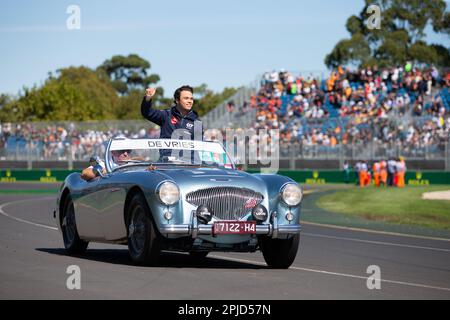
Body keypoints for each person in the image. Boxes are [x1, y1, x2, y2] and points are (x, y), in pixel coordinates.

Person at [80, 149, 145, 181]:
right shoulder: (105, 164)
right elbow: (85, 173)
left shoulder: (134, 163)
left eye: (128, 151)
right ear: (113, 152)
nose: (126, 154)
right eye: (122, 151)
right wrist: (106, 170)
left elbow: (143, 161)